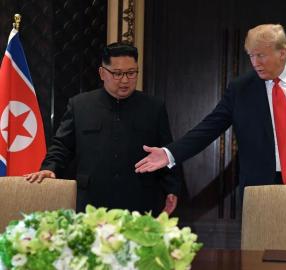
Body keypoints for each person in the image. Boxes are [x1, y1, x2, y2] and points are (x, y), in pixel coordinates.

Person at [135, 24, 286, 205]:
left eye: (261, 55)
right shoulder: (241, 89)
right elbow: (208, 129)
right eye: (251, 55)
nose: (255, 63)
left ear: (283, 52)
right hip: (261, 192)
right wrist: (170, 154)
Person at [25, 42, 180, 215]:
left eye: (131, 73)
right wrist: (50, 168)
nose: (124, 80)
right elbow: (62, 145)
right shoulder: (80, 105)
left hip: (139, 200)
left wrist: (172, 189)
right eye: (117, 73)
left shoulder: (154, 107)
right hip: (91, 202)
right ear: (102, 73)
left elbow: (166, 151)